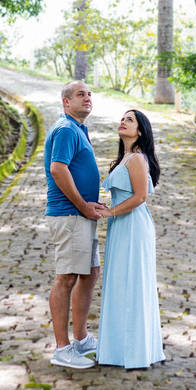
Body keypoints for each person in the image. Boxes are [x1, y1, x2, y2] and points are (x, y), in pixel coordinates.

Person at [44, 80, 106, 369]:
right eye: (81, 94)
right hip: (69, 215)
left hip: (82, 216)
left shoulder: (79, 129)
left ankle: (80, 339)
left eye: (90, 94)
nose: (88, 98)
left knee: (90, 273)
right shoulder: (66, 129)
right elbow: (58, 169)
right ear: (66, 102)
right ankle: (62, 348)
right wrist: (82, 205)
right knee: (67, 277)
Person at [96, 108, 164, 369]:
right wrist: (107, 208)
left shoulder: (136, 158)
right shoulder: (124, 158)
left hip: (133, 225)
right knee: (119, 282)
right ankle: (118, 350)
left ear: (141, 131)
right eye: (123, 118)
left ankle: (135, 352)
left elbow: (140, 197)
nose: (123, 122)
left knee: (132, 281)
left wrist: (110, 212)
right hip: (121, 224)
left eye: (130, 120)